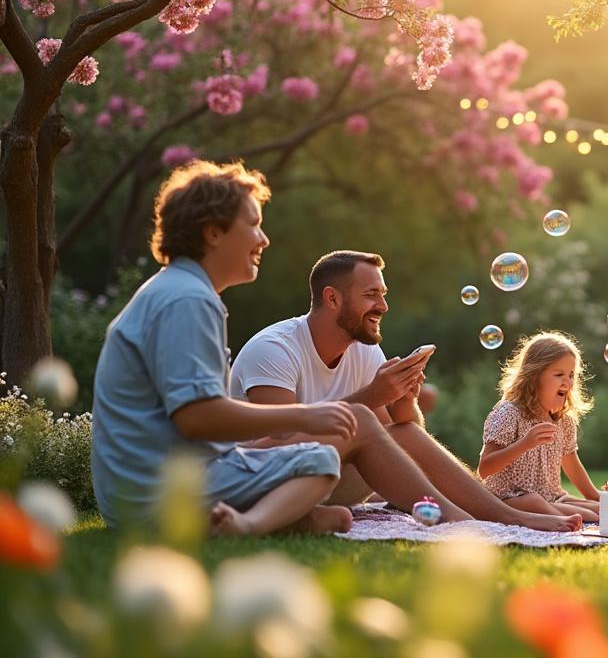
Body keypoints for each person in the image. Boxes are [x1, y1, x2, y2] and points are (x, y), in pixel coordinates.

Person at [229, 250, 581, 533]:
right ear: (332, 299)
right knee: (365, 420)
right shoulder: (275, 349)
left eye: (383, 295)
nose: (382, 306)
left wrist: (404, 399)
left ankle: (497, 516)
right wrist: (371, 396)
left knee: (403, 432)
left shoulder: (364, 351)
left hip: (324, 474)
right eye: (371, 295)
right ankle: (478, 520)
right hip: (263, 480)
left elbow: (394, 436)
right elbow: (277, 439)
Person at [92, 161, 354, 536]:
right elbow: (197, 416)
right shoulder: (187, 299)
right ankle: (248, 525)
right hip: (161, 494)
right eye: (253, 224)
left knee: (337, 514)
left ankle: (265, 520)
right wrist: (303, 416)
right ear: (213, 232)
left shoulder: (175, 290)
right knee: (321, 460)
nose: (263, 239)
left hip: (144, 492)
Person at [478, 332, 602, 522]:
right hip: (508, 499)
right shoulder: (509, 413)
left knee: (599, 510)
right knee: (538, 503)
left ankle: (568, 515)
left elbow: (572, 465)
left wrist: (595, 497)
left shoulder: (563, 420)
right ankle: (559, 521)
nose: (567, 383)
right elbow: (485, 468)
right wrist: (524, 444)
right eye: (559, 374)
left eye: (571, 375)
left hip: (552, 496)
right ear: (534, 376)